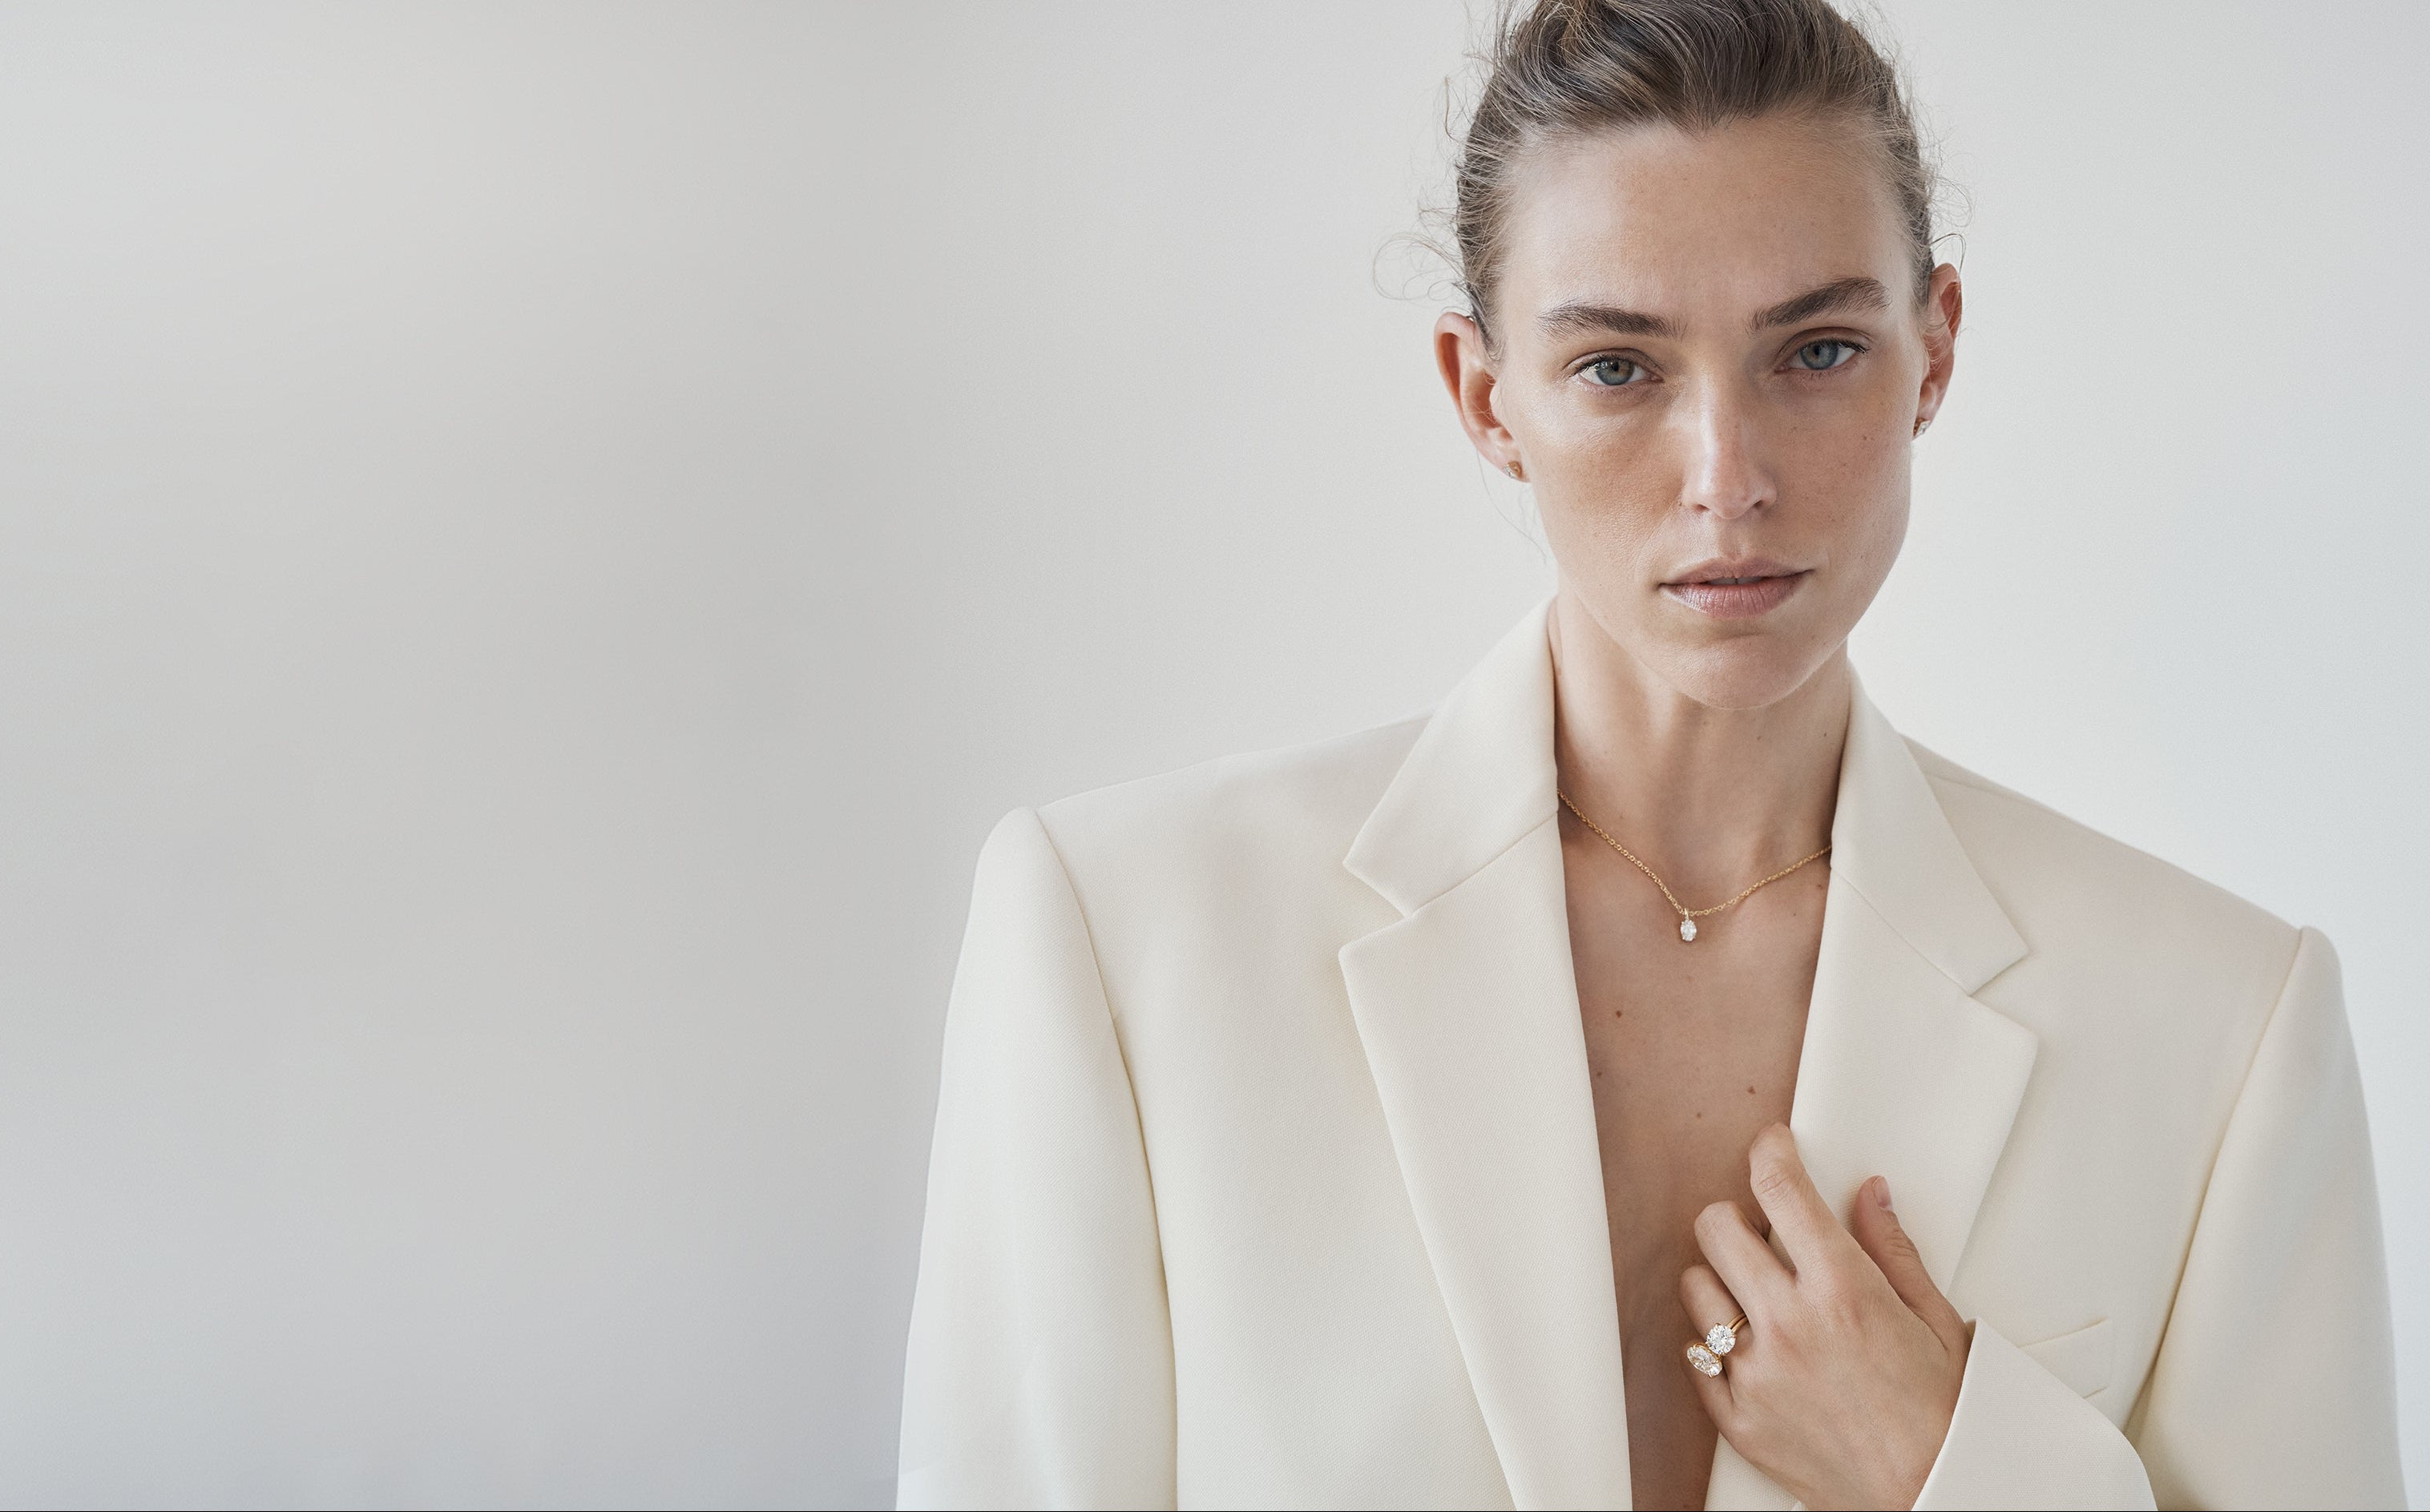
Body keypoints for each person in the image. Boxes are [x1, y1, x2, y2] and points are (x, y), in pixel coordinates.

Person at [893, 1, 2404, 1506]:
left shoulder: (2219, 1024)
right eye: (1619, 367)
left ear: (1934, 351)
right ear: (1488, 398)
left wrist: (1955, 1471)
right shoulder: (1130, 943)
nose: (1726, 480)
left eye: (1816, 350)